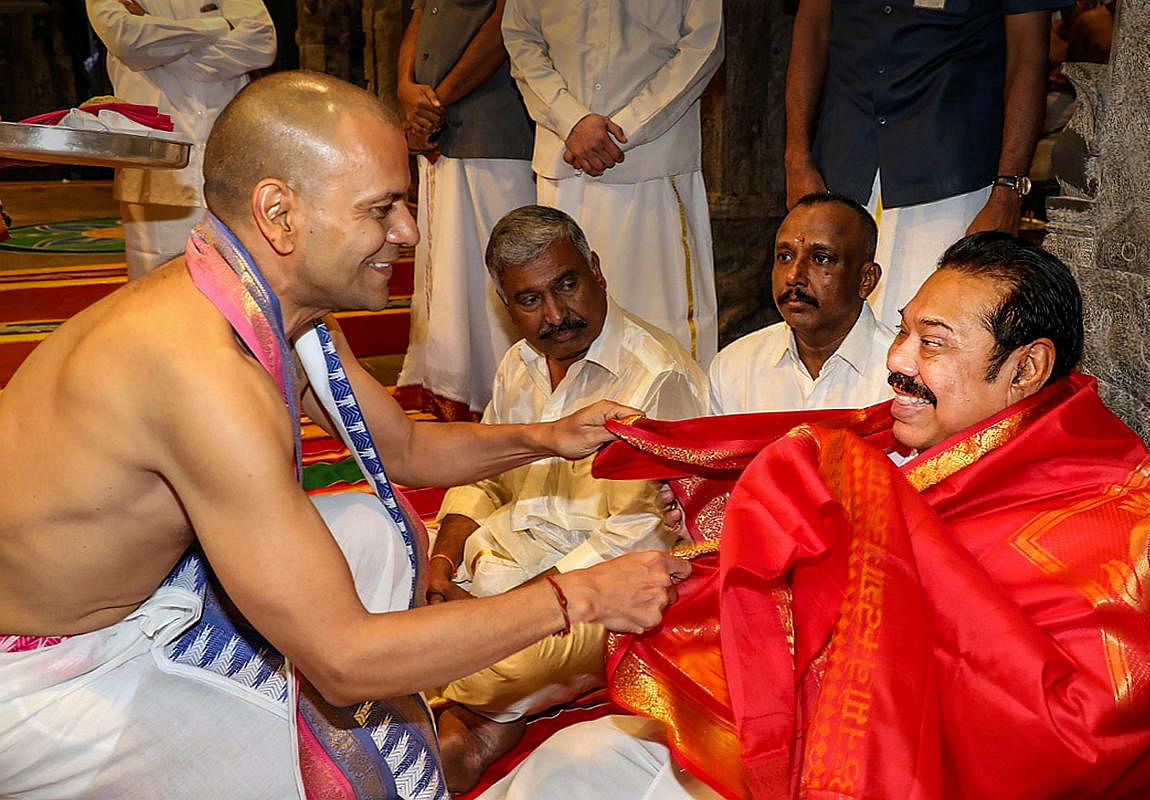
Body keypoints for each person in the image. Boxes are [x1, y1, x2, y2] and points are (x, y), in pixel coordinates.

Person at [0, 71, 690, 799]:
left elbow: (408, 452)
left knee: (371, 528)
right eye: (382, 209)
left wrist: (553, 435)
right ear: (280, 215)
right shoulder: (202, 374)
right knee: (290, 767)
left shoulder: (258, 302)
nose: (410, 232)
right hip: (43, 673)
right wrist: (576, 596)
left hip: (139, 595)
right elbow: (344, 663)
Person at [479, 233, 1150, 799]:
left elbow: (1077, 741)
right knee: (571, 763)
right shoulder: (923, 433)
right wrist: (737, 511)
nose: (899, 361)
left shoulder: (1128, 519)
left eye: (935, 342)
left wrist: (863, 514)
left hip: (917, 772)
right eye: (905, 330)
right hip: (831, 727)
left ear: (1027, 369)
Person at [428, 205, 708, 792]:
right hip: (501, 563)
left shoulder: (656, 376)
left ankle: (470, 717)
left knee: (470, 652)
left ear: (597, 271)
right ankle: (483, 716)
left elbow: (640, 538)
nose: (555, 315)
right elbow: (485, 473)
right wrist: (441, 563)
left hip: (600, 594)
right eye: (530, 300)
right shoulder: (519, 363)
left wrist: (505, 611)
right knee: (386, 570)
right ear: (507, 306)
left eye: (567, 285)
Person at [784, 0, 1070, 329]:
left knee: (934, 335)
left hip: (950, 177)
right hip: (841, 163)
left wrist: (1009, 190)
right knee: (826, 336)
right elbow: (812, 26)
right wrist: (796, 158)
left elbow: (1027, 59)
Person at [501, 0, 724, 367]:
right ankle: (571, 420)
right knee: (562, 317)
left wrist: (625, 129)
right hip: (564, 161)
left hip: (652, 162)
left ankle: (666, 422)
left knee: (660, 320)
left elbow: (704, 44)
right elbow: (520, 35)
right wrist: (570, 120)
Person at [394, 0, 536, 420]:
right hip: (439, 126)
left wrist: (434, 102)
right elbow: (422, 15)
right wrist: (406, 88)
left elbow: (504, 27)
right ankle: (452, 388)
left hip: (493, 131)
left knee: (497, 268)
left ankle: (512, 400)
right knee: (446, 268)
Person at [86, 0, 276, 279]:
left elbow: (262, 45)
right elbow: (127, 40)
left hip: (228, 157)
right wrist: (218, 26)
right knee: (157, 284)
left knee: (238, 284)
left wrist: (168, 54)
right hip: (156, 166)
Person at [708, 192, 893, 414]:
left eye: (820, 258)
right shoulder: (734, 368)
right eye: (785, 256)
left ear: (866, 280)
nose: (793, 276)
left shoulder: (902, 377)